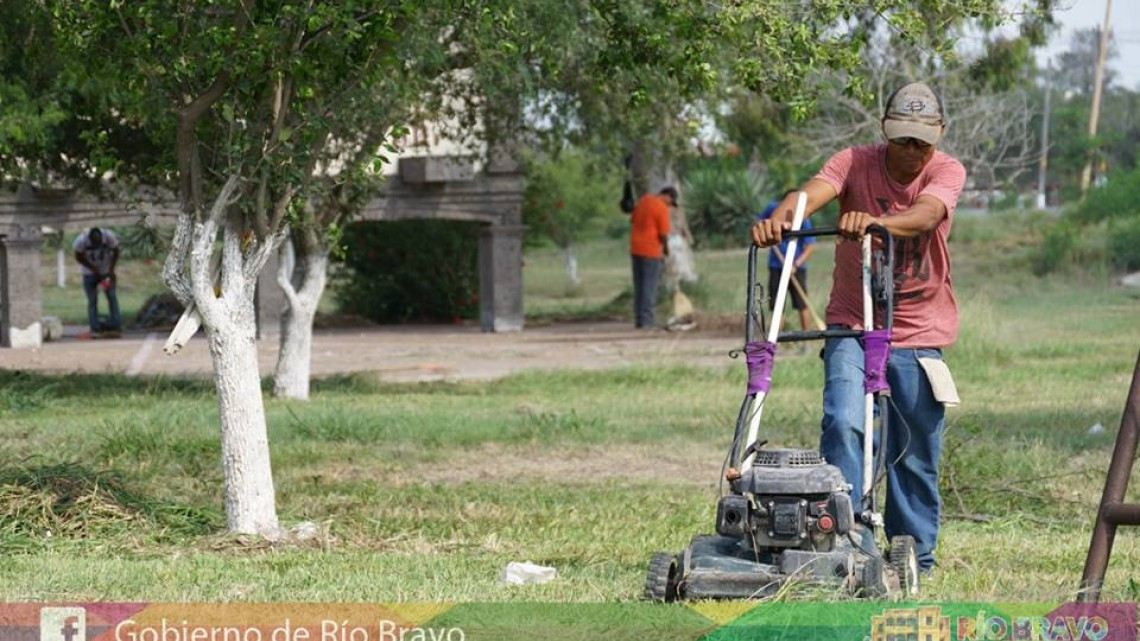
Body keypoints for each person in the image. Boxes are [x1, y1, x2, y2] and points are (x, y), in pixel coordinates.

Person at [750, 81, 966, 574]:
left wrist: (875, 223)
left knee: (912, 449)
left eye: (921, 142)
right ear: (886, 134)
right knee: (845, 423)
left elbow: (928, 214)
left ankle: (916, 557)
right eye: (902, 140)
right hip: (853, 320)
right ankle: (845, 540)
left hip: (918, 329)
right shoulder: (854, 161)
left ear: (938, 136)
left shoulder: (947, 170)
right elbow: (810, 194)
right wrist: (783, 216)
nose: (911, 152)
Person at [756, 189, 816, 331]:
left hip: (797, 269)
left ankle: (805, 341)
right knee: (777, 305)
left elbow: (810, 246)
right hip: (776, 265)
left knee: (802, 304)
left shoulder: (804, 218)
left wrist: (796, 264)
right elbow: (759, 223)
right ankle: (774, 339)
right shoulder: (772, 208)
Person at [629, 186, 675, 329]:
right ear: (667, 196)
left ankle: (639, 319)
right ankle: (647, 320)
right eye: (671, 202)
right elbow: (663, 234)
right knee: (650, 286)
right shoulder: (661, 208)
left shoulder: (643, 201)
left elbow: (633, 220)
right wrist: (666, 249)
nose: (670, 206)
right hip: (651, 251)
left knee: (639, 286)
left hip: (636, 249)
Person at [73, 227, 122, 336]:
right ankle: (95, 327)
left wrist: (111, 269)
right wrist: (91, 268)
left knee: (112, 296)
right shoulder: (81, 241)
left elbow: (116, 251)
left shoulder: (109, 237)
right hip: (89, 274)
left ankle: (116, 324)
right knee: (92, 299)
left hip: (106, 272)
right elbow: (78, 256)